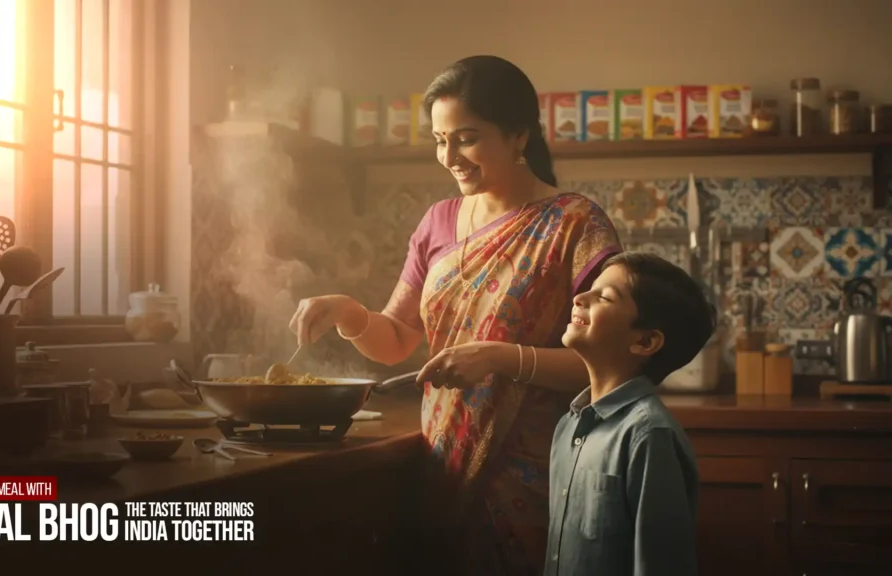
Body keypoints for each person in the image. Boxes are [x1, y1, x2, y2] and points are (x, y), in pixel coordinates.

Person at [289, 55, 622, 574]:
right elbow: (398, 337)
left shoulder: (575, 224)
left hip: (538, 472)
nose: (449, 157)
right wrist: (350, 314)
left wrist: (498, 357)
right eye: (439, 140)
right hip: (442, 465)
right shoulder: (438, 221)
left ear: (518, 135)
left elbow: (610, 367)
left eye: (466, 138)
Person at [544, 252, 715, 576]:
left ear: (645, 340)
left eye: (604, 297)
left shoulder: (648, 436)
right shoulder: (568, 424)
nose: (580, 297)